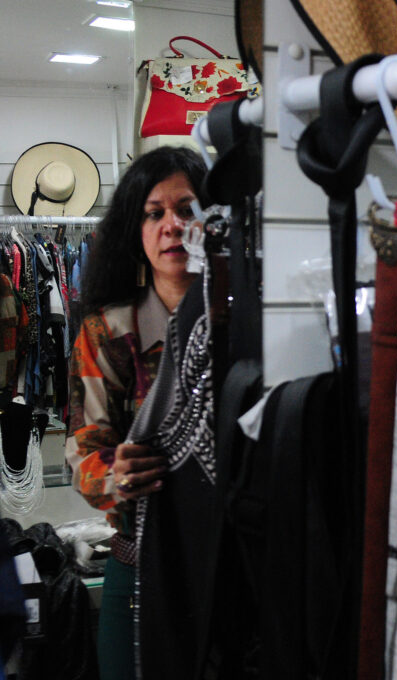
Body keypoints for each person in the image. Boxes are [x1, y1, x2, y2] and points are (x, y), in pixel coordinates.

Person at [65, 146, 206, 680]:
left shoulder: (250, 320)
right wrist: (115, 473)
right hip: (140, 565)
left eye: (187, 209)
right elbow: (83, 453)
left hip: (232, 564)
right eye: (154, 213)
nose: (173, 225)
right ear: (136, 230)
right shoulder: (107, 332)